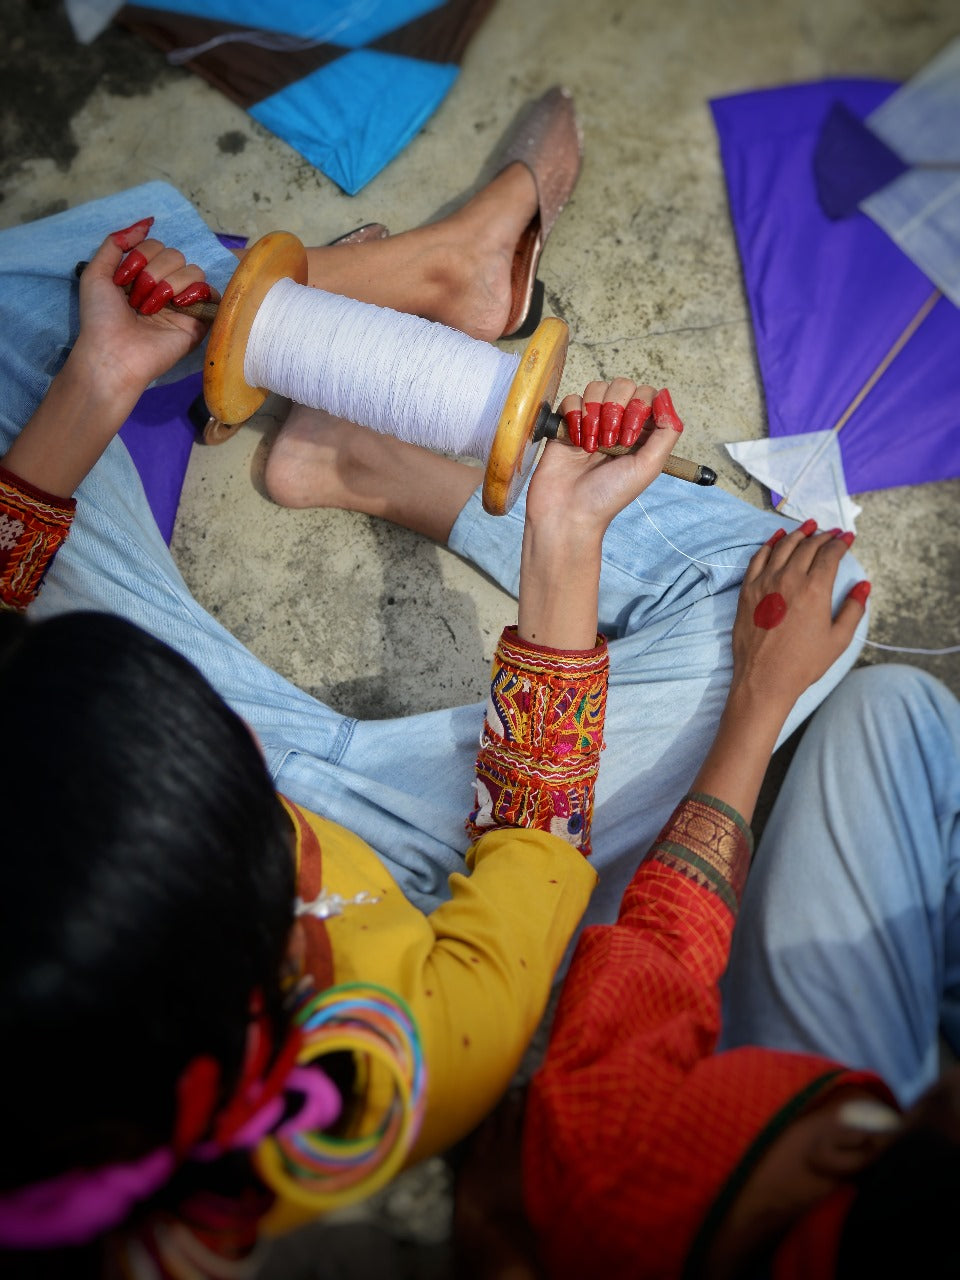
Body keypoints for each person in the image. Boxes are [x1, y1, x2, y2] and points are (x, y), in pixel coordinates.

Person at [0, 136, 866, 1273]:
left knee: (39, 301)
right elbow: (525, 842)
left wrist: (99, 381)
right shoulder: (396, 1062)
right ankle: (381, 370)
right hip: (424, 860)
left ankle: (392, 316)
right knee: (822, 588)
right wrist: (563, 532)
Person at [451, 574, 960, 1277]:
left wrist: (763, 694)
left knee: (851, 633)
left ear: (849, 1142)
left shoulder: (632, 1188)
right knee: (898, 708)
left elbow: (655, 955)